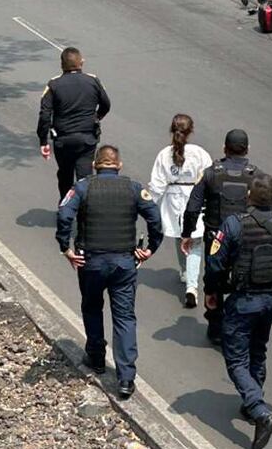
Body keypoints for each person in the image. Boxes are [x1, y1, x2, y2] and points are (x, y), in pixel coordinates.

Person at [204, 173, 272, 449]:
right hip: (271, 300)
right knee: (258, 351)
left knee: (236, 359)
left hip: (243, 300)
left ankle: (260, 411)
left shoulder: (234, 225)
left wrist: (211, 292)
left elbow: (215, 264)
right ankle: (252, 404)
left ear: (248, 196)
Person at [56, 145, 163, 399]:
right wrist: (150, 249)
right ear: (119, 165)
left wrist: (65, 248)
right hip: (124, 263)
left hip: (90, 262)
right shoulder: (134, 188)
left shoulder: (83, 187)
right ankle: (126, 378)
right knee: (124, 317)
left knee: (92, 307)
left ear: (95, 164)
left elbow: (63, 214)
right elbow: (155, 219)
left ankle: (96, 356)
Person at [181, 129, 259, 345]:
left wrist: (187, 235)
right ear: (247, 150)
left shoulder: (210, 174)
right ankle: (237, 327)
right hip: (246, 240)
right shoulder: (256, 176)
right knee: (244, 283)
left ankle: (215, 326)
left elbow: (192, 208)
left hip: (216, 240)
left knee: (214, 280)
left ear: (224, 148)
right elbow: (268, 209)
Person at [148, 114, 213, 308]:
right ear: (191, 131)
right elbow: (210, 177)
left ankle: (185, 273)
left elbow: (157, 185)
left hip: (173, 201)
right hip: (195, 199)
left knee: (180, 236)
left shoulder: (164, 154)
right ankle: (192, 287)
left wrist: (147, 206)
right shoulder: (199, 153)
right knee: (194, 243)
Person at [37, 47, 112, 200]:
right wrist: (97, 117)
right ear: (81, 62)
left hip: (63, 141)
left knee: (65, 175)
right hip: (87, 139)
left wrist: (43, 141)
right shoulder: (93, 81)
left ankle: (66, 207)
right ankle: (85, 212)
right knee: (85, 178)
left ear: (62, 65)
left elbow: (45, 115)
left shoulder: (54, 85)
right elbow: (106, 104)